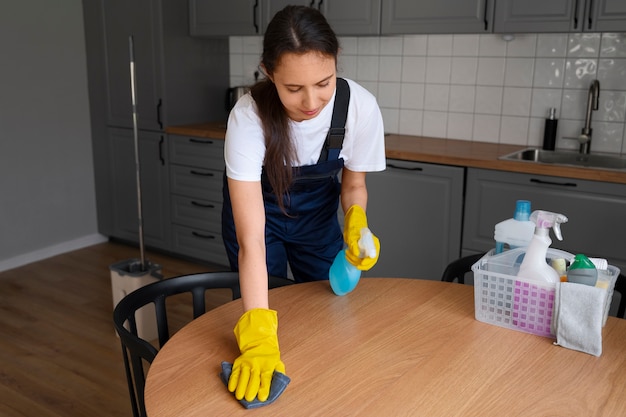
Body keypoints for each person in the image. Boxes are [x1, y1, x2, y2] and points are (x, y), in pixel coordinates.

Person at [221, 5, 386, 404]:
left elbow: (353, 185)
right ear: (268, 72)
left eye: (323, 83)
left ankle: (327, 394)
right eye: (293, 88)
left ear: (336, 61)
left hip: (316, 221)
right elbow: (252, 243)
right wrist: (257, 340)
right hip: (260, 223)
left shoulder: (359, 107)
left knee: (331, 308)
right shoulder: (249, 117)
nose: (311, 101)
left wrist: (356, 220)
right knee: (265, 309)